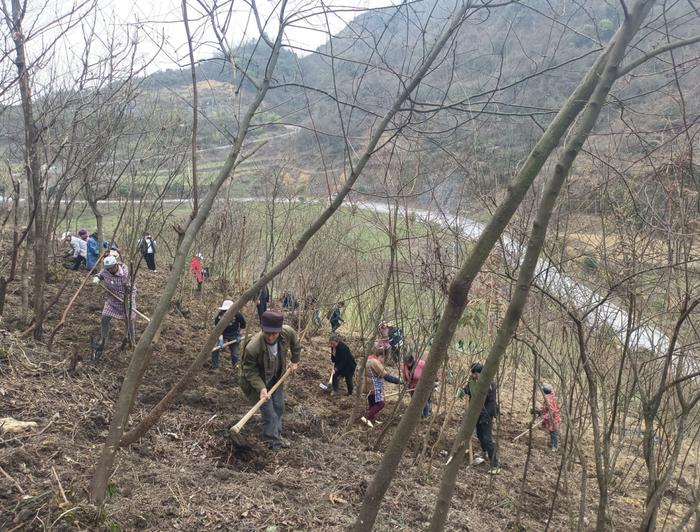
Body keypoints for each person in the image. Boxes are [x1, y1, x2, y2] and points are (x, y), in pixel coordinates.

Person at [240, 310, 301, 450]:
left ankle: (276, 435)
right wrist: (261, 389)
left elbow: (296, 344)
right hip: (258, 382)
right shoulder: (253, 347)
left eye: (274, 333)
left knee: (279, 407)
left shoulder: (287, 332)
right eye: (268, 333)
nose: (271, 337)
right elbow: (249, 371)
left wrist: (294, 360)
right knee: (269, 413)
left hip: (276, 377)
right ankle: (272, 443)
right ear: (262, 328)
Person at [91, 255, 136, 363]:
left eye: (111, 268)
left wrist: (129, 300)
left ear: (116, 265)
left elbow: (132, 289)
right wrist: (97, 277)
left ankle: (132, 341)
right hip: (112, 299)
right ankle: (103, 338)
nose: (110, 270)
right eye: (108, 268)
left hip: (126, 300)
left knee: (129, 321)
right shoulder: (106, 271)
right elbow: (100, 274)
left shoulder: (125, 274)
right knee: (105, 317)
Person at [460, 362, 500, 474]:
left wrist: (483, 415)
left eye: (475, 373)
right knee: (479, 434)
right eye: (472, 373)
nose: (473, 375)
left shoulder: (489, 384)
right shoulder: (473, 382)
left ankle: (495, 464)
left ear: (480, 373)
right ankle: (484, 452)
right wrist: (464, 390)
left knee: (487, 439)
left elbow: (485, 398)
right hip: (476, 413)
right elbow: (469, 391)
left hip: (486, 413)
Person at [362, 345, 400, 427]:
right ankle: (366, 417)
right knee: (380, 404)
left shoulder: (368, 359)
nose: (383, 361)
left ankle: (372, 419)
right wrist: (398, 381)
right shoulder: (375, 362)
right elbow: (386, 376)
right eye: (384, 358)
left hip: (366, 385)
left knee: (372, 403)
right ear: (381, 356)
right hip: (373, 386)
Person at [213, 299, 246, 370]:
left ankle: (235, 368)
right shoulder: (219, 317)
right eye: (224, 311)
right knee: (215, 349)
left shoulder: (238, 315)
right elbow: (218, 331)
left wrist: (239, 335)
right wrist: (221, 341)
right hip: (222, 334)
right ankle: (215, 367)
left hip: (234, 334)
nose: (225, 312)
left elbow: (243, 326)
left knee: (235, 354)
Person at [401, 351, 431, 418]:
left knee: (423, 401)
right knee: (415, 401)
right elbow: (405, 377)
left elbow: (429, 372)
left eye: (410, 363)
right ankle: (418, 415)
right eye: (407, 363)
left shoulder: (421, 364)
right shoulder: (403, 366)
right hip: (411, 386)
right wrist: (406, 384)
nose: (409, 365)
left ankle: (426, 416)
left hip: (422, 385)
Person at [537, 385, 561, 451]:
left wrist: (545, 417)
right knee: (551, 431)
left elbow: (552, 410)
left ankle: (555, 447)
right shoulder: (550, 397)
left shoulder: (548, 399)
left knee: (553, 432)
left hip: (553, 419)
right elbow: (546, 407)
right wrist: (541, 410)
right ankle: (553, 444)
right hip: (551, 418)